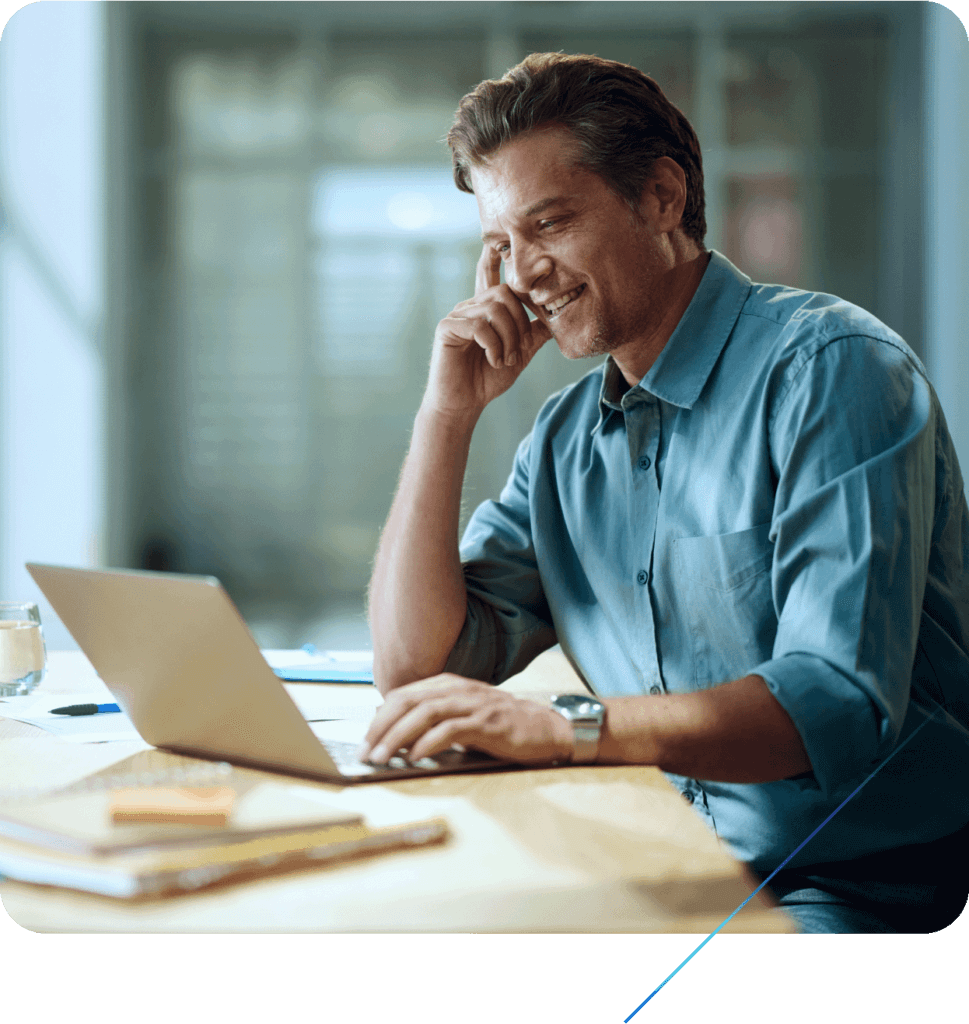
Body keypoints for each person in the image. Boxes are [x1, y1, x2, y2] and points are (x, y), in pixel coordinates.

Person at [361, 52, 969, 933]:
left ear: (659, 197)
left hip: (854, 886)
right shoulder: (565, 442)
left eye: (550, 223)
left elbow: (830, 700)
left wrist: (562, 727)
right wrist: (444, 416)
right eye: (500, 245)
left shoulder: (832, 371)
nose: (523, 272)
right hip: (656, 874)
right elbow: (417, 670)